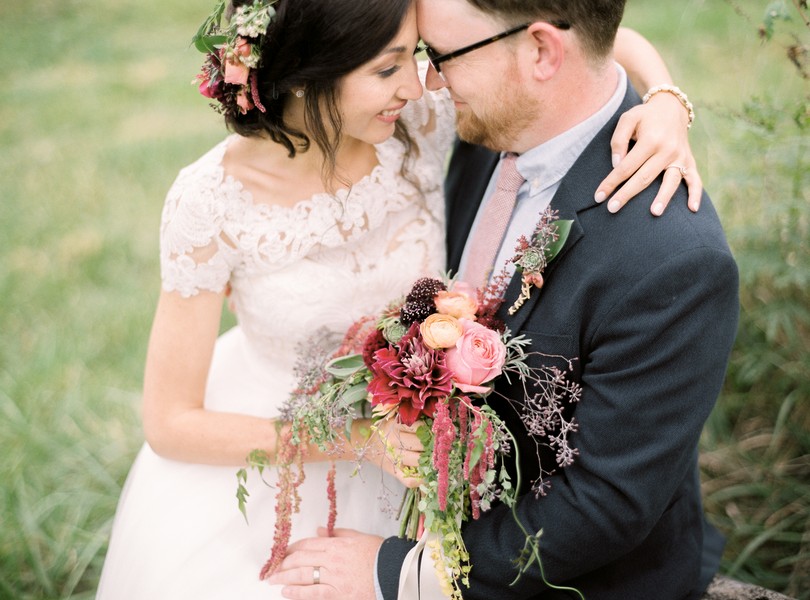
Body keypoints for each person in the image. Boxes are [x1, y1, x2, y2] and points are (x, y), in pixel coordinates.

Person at [96, 0, 707, 598]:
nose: (417, 86)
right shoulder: (210, 203)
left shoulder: (417, 123)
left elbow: (580, 39)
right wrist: (360, 440)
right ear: (309, 76)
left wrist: (664, 100)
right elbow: (169, 422)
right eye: (388, 69)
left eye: (417, 56)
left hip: (419, 460)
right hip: (275, 452)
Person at [266, 1, 740, 600]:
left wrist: (401, 575)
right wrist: (667, 92)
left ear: (541, 51)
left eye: (440, 56)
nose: (428, 83)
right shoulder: (492, 125)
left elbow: (603, 506)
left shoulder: (674, 260)